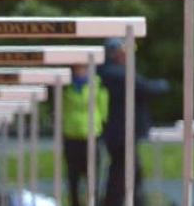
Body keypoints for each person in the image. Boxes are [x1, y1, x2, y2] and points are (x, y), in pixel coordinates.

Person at [98, 38, 169, 206]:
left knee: (130, 172)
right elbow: (147, 88)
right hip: (121, 132)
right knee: (121, 173)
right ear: (115, 54)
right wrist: (164, 84)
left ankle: (136, 202)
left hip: (118, 132)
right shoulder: (117, 73)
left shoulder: (105, 72)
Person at [63, 63, 108, 206]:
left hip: (91, 134)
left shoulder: (97, 84)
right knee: (73, 178)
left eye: (83, 68)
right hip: (72, 135)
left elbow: (103, 107)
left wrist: (101, 124)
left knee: (93, 177)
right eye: (77, 68)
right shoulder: (66, 86)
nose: (80, 71)